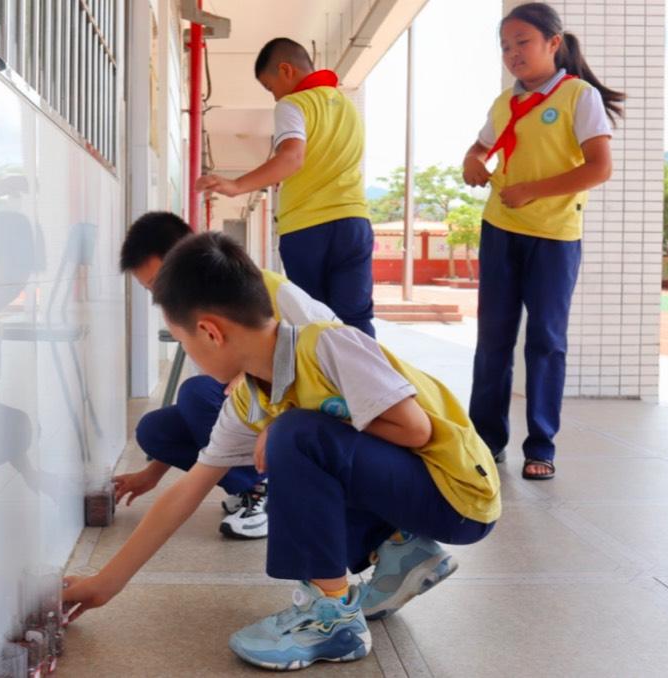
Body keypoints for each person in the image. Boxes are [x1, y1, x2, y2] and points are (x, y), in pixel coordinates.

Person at [64, 233, 499, 671]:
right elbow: (191, 487)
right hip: (410, 491)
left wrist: (288, 426)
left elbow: (415, 429)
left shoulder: (327, 345)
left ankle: (332, 619)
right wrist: (106, 583)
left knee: (298, 436)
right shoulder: (249, 398)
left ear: (210, 332)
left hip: (459, 496)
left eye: (185, 342)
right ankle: (399, 551)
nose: (189, 353)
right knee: (297, 436)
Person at [462, 2, 623, 480]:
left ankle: (542, 446)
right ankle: (485, 440)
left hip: (554, 237)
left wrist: (534, 189)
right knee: (492, 339)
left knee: (546, 341)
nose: (513, 54)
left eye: (523, 43)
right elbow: (481, 147)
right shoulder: (503, 103)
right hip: (500, 231)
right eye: (506, 46)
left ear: (554, 43)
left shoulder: (579, 96)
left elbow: (600, 167)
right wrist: (472, 160)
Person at [116, 211, 338, 539]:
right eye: (151, 291)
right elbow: (212, 394)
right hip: (251, 413)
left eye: (159, 284)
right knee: (157, 430)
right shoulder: (190, 313)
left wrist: (278, 415)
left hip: (306, 414)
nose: (161, 298)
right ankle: (249, 485)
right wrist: (153, 473)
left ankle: (263, 493)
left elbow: (331, 353)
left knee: (196, 392)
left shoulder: (265, 289)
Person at [194, 38, 375, 338]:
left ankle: (322, 386)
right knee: (356, 318)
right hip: (354, 222)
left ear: (286, 70)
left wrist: (236, 185)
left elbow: (292, 158)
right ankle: (370, 384)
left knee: (314, 320)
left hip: (308, 228)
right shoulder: (347, 106)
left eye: (270, 86)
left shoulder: (293, 104)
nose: (273, 95)